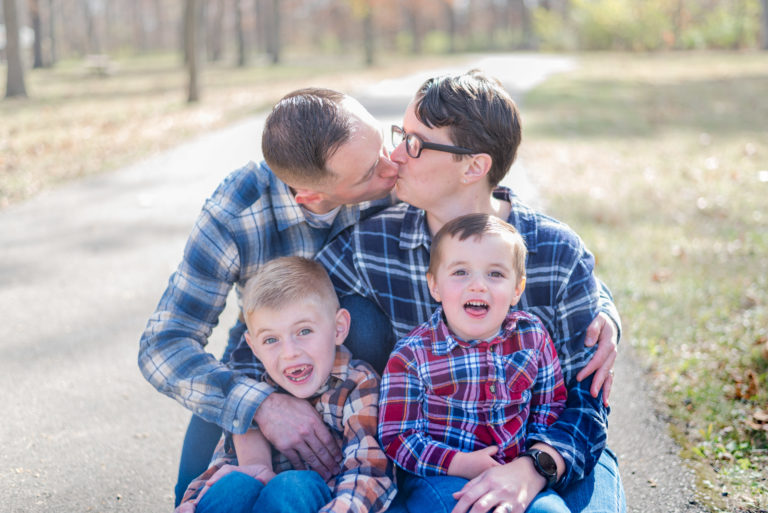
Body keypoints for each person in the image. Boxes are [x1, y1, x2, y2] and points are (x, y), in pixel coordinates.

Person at [314, 70, 625, 512]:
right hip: (443, 457)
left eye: (416, 145)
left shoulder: (555, 251)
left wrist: (534, 467)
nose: (396, 154)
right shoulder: (373, 245)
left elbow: (588, 402)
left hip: (558, 449)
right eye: (401, 134)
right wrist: (259, 408)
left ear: (475, 166)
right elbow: (288, 308)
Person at [137, 87, 399, 505]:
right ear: (310, 196)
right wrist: (260, 406)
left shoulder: (398, 182)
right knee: (205, 495)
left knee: (361, 318)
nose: (392, 170)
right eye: (369, 174)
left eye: (383, 145)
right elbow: (163, 344)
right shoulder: (239, 209)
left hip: (355, 370)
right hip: (262, 360)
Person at [378, 213, 570, 513]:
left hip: (517, 474)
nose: (478, 285)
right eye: (460, 272)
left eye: (495, 274)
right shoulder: (412, 355)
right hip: (440, 476)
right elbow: (398, 436)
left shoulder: (532, 337)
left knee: (551, 511)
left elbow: (550, 406)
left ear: (517, 289)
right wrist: (459, 463)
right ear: (435, 286)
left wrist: (529, 460)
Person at [175, 256, 395, 513]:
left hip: (321, 501)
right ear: (253, 347)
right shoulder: (257, 394)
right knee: (236, 482)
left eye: (304, 331)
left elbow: (368, 472)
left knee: (295, 484)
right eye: (271, 340)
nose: (289, 352)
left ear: (338, 328)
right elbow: (225, 462)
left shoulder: (358, 386)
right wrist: (194, 500)